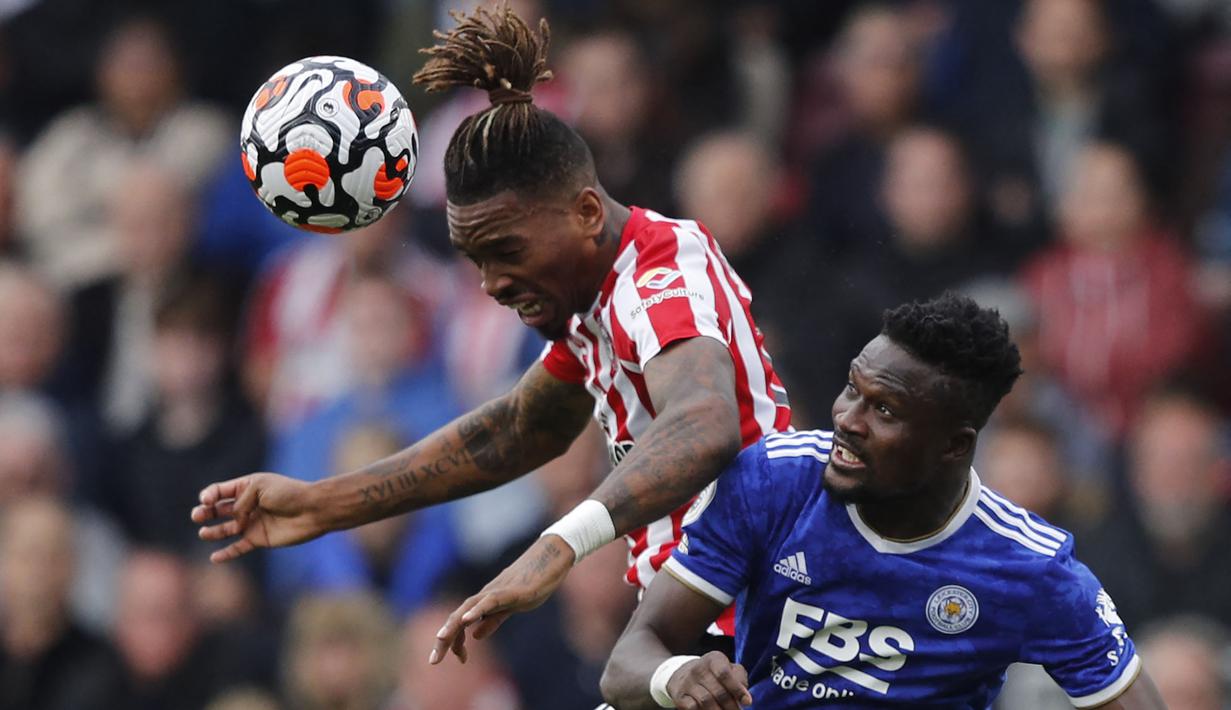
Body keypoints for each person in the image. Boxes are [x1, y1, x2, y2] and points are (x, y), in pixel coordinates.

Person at [193, 3, 791, 662]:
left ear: (585, 211)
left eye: (505, 251)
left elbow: (704, 422)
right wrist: (321, 506)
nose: (489, 283)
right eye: (473, 258)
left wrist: (558, 544)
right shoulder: (593, 299)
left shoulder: (654, 277)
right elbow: (517, 429)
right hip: (709, 621)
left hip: (765, 616)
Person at [601, 293, 1164, 709]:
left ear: (954, 446)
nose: (847, 419)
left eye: (885, 411)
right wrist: (675, 677)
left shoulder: (1029, 568)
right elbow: (629, 662)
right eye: (853, 389)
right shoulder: (772, 482)